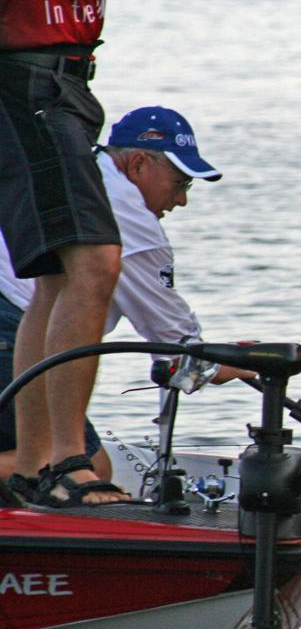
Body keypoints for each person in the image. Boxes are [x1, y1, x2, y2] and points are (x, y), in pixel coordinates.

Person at [0, 106, 255, 505]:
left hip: (14, 325)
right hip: (8, 330)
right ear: (137, 164)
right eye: (180, 182)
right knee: (80, 467)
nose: (182, 200)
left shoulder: (76, 175)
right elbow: (173, 341)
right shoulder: (126, 213)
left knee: (72, 463)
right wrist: (230, 363)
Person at [0, 0, 124, 505]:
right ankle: (67, 460)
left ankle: (31, 465)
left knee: (54, 277)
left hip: (62, 86)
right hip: (28, 86)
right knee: (94, 264)